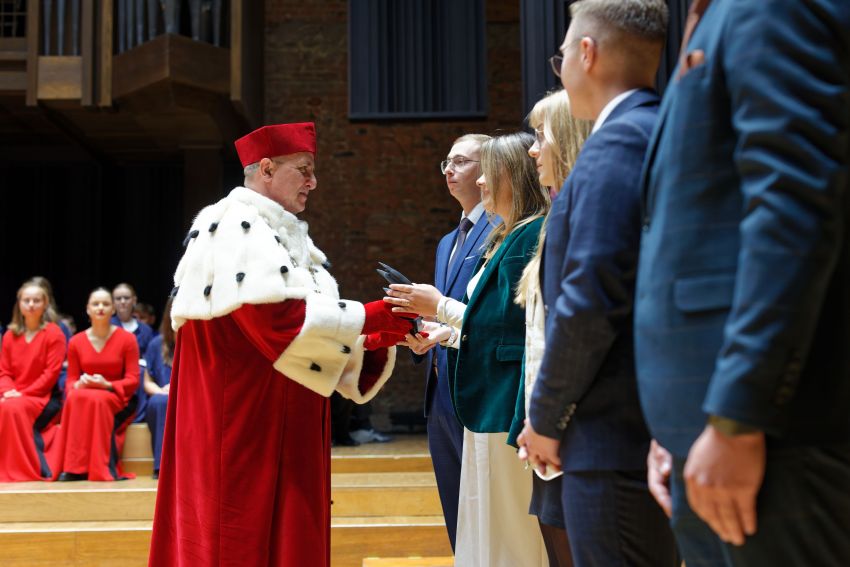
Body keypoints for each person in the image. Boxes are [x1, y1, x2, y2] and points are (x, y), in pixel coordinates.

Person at [635, 1, 850, 565]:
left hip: (773, 428)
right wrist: (676, 421)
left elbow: (791, 208)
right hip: (703, 423)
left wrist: (738, 415)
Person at [148, 122, 413, 567]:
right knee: (240, 539)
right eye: (304, 170)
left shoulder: (278, 233)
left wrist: (374, 335)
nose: (313, 181)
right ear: (267, 169)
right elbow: (277, 324)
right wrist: (374, 317)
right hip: (242, 424)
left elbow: (304, 332)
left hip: (273, 416)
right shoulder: (237, 225)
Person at [516, 1, 678, 565]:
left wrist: (547, 415)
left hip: (612, 436)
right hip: (641, 427)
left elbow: (590, 301)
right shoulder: (659, 129)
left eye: (562, 54)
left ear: (586, 54)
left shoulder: (617, 145)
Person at [388, 132, 549, 566]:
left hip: (501, 395)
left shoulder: (525, 234)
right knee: (479, 513)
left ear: (510, 177)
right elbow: (491, 323)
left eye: (487, 174)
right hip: (475, 387)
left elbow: (511, 325)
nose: (479, 184)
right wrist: (445, 332)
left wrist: (438, 306)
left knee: (508, 522)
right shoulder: (506, 235)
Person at [397, 132, 493, 550]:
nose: (449, 170)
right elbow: (444, 308)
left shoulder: (500, 228)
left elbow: (485, 311)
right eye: (446, 162)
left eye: (460, 161)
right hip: (441, 388)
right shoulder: (446, 242)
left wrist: (442, 314)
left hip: (477, 387)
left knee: (485, 511)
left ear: (488, 170)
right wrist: (424, 334)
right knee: (455, 510)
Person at [515, 90, 592, 567]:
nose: (532, 149)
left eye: (540, 136)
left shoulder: (577, 210)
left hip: (577, 424)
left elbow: (579, 326)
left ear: (568, 137)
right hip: (554, 417)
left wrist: (548, 417)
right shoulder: (558, 212)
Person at [54, 287, 140, 481]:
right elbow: (70, 380)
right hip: (87, 394)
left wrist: (107, 384)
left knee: (97, 402)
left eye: (106, 304)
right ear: (87, 309)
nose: (100, 307)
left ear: (113, 310)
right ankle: (73, 467)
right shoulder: (76, 341)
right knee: (75, 397)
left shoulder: (128, 339)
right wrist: (79, 384)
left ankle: (103, 467)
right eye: (96, 304)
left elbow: (133, 379)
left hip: (119, 396)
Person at [0, 279, 66, 481]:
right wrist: (8, 392)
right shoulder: (11, 335)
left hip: (44, 398)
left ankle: (22, 470)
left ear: (45, 304)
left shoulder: (54, 333)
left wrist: (20, 394)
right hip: (15, 395)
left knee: (11, 408)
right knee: (9, 405)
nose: (31, 304)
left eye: (36, 300)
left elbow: (50, 374)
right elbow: (4, 372)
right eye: (26, 300)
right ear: (19, 303)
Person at [111, 283, 154, 422]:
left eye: (126, 298)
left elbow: (151, 356)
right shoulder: (107, 326)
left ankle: (138, 419)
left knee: (141, 373)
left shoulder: (146, 329)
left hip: (140, 372)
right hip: (114, 372)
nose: (122, 301)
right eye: (118, 298)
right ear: (113, 302)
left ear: (134, 300)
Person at [142, 298, 173, 479]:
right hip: (161, 395)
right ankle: (161, 466)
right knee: (160, 402)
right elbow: (147, 383)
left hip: (189, 398)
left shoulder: (198, 341)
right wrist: (161, 390)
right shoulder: (156, 344)